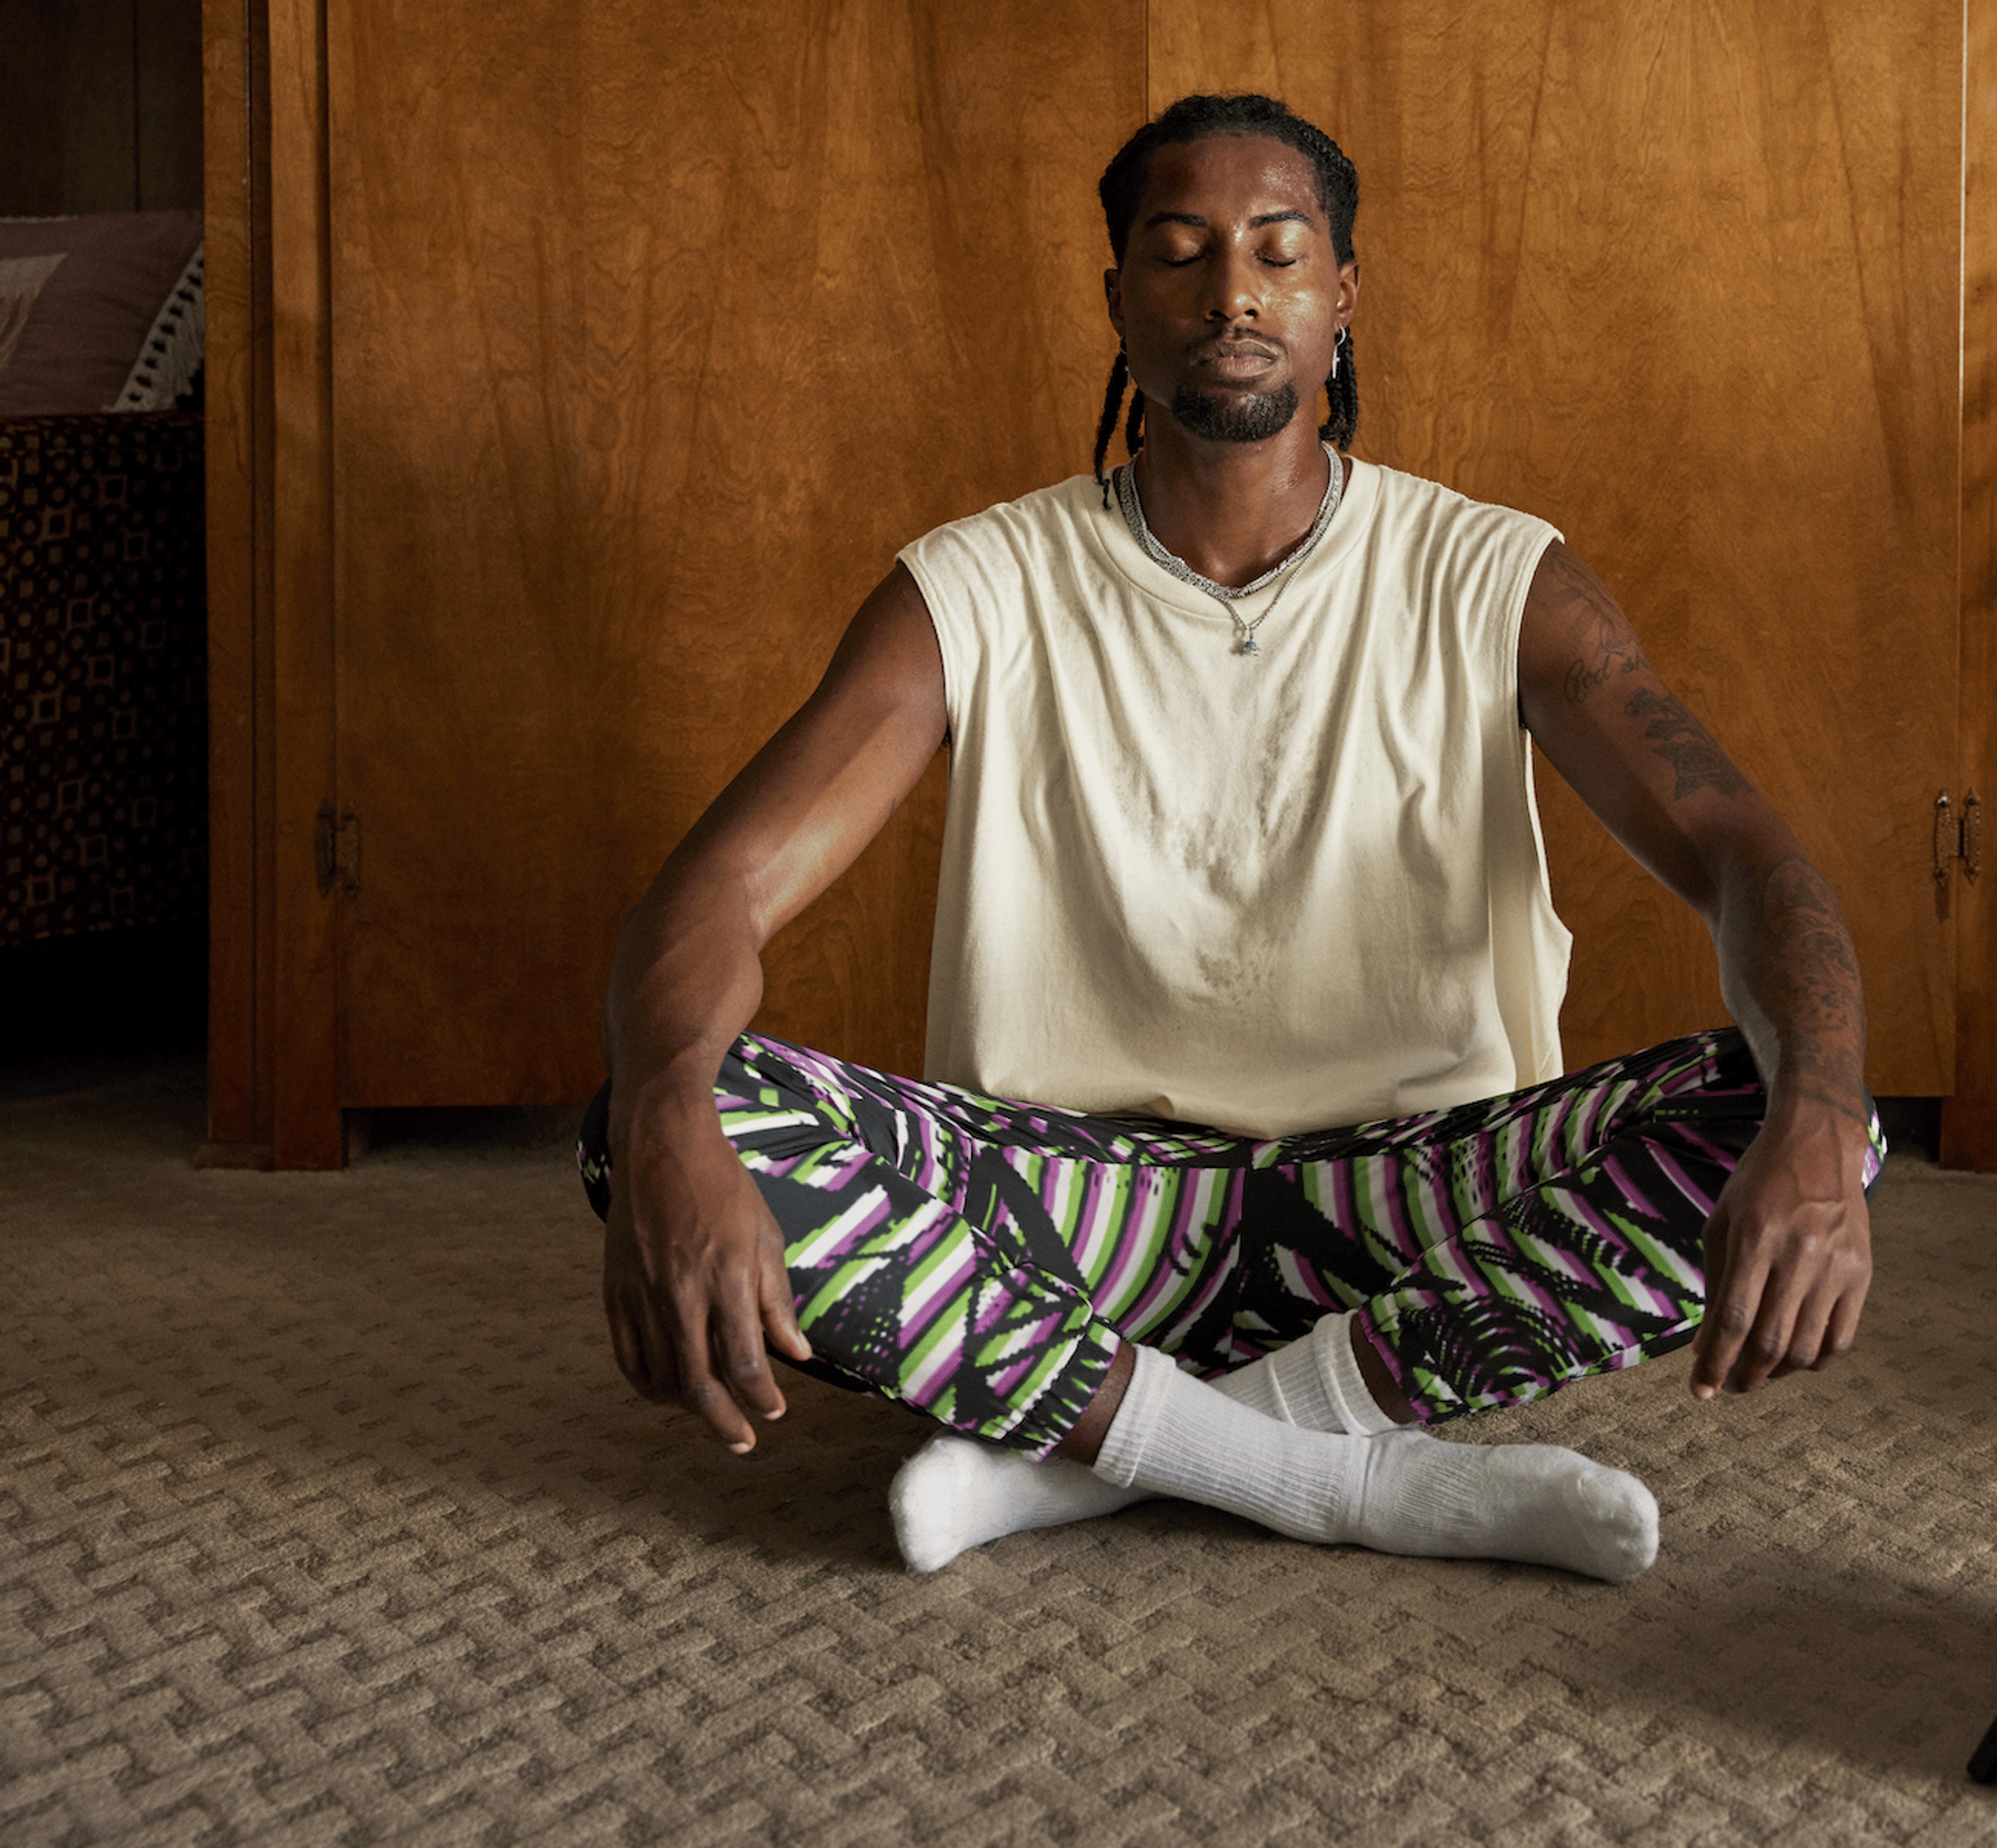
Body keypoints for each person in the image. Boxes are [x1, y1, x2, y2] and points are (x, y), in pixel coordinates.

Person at [583, 93, 1883, 1585]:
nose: (1232, 292)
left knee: (1809, 1104)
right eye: (1181, 252)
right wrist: (673, 1102)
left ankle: (1091, 1460)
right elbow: (721, 892)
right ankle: (1335, 1473)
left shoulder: (1494, 575)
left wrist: (1821, 1121)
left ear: (1342, 294)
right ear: (1121, 297)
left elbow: (1747, 858)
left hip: (1415, 1212)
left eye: (1278, 250)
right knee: (660, 1104)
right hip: (1068, 1221)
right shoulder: (978, 584)